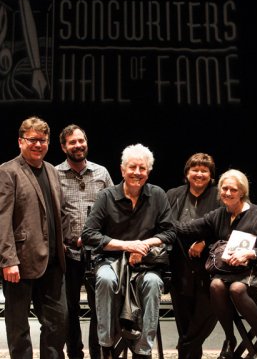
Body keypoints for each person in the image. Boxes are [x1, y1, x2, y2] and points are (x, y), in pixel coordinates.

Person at [81, 143, 176, 359]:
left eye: (142, 168)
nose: (137, 173)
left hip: (147, 263)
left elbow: (170, 232)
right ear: (122, 170)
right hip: (110, 260)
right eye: (132, 167)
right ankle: (106, 346)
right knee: (105, 280)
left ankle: (142, 351)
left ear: (148, 172)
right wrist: (126, 245)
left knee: (152, 283)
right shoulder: (106, 196)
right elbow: (89, 234)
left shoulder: (158, 195)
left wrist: (144, 246)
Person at [176, 169, 257, 359]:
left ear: (242, 192)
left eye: (233, 190)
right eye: (224, 189)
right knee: (215, 285)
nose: (228, 193)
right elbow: (189, 228)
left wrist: (251, 253)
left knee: (237, 289)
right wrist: (163, 221)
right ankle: (230, 339)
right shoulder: (220, 214)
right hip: (231, 271)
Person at [0, 116, 70, 359]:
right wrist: (8, 259)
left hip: (52, 260)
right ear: (21, 141)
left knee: (58, 322)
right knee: (18, 326)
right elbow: (2, 218)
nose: (38, 145)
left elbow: (58, 211)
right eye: (32, 140)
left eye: (42, 140)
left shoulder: (51, 170)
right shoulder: (8, 171)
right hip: (21, 261)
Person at [55, 124, 114, 359]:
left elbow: (114, 211)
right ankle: (75, 354)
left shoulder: (102, 173)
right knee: (68, 309)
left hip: (97, 253)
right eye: (72, 142)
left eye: (81, 140)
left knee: (99, 308)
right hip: (67, 253)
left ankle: (97, 354)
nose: (78, 145)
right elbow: (49, 213)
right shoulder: (53, 173)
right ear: (63, 147)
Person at [166, 153, 220, 359]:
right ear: (187, 173)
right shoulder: (173, 194)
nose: (199, 174)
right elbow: (165, 225)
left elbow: (227, 227)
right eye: (194, 169)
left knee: (204, 317)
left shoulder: (219, 195)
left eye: (204, 170)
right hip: (179, 267)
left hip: (209, 268)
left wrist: (204, 242)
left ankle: (184, 351)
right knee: (184, 320)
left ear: (211, 175)